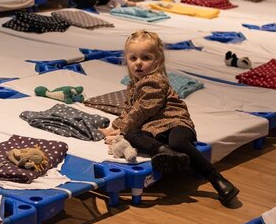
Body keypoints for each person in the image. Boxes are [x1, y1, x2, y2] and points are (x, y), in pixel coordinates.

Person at [101, 30, 239, 206]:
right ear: (126, 60)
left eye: (146, 58)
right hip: (153, 129)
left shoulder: (155, 81)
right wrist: (117, 128)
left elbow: (142, 110)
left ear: (157, 60)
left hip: (175, 122)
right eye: (133, 58)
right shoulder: (133, 85)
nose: (138, 63)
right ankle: (165, 152)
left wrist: (120, 127)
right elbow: (130, 110)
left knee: (178, 142)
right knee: (132, 134)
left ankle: (217, 179)